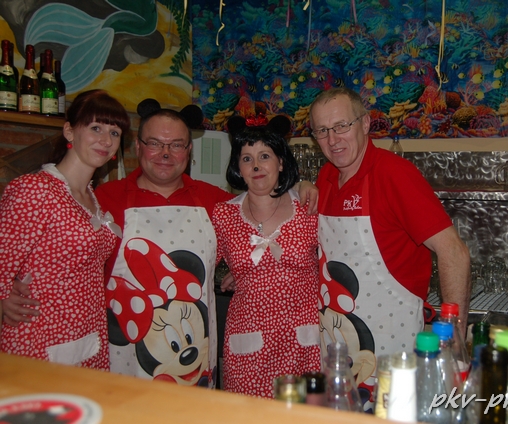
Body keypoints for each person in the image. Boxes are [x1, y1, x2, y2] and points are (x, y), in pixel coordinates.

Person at [3, 100, 319, 388]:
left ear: (188, 151)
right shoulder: (104, 198)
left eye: (176, 145)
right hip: (123, 357)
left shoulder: (214, 201)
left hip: (194, 358)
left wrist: (300, 184)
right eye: (155, 143)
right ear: (138, 147)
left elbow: (260, 204)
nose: (165, 153)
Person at [309, 88, 471, 408]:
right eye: (322, 131)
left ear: (365, 124)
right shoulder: (325, 176)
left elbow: (455, 252)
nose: (333, 139)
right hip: (337, 353)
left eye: (341, 126)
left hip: (393, 352)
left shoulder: (394, 174)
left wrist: (454, 342)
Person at [0, 89, 130, 370]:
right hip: (41, 336)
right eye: (96, 128)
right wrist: (3, 296)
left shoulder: (90, 196)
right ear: (70, 131)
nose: (106, 140)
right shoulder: (36, 189)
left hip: (88, 333)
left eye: (114, 133)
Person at [212, 116, 321, 398]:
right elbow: (201, 266)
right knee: (248, 414)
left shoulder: (309, 208)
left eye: (264, 156)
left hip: (304, 343)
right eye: (247, 159)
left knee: (305, 414)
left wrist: (305, 182)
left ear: (280, 162)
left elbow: (335, 262)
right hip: (249, 343)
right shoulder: (223, 215)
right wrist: (244, 271)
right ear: (238, 168)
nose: (256, 166)